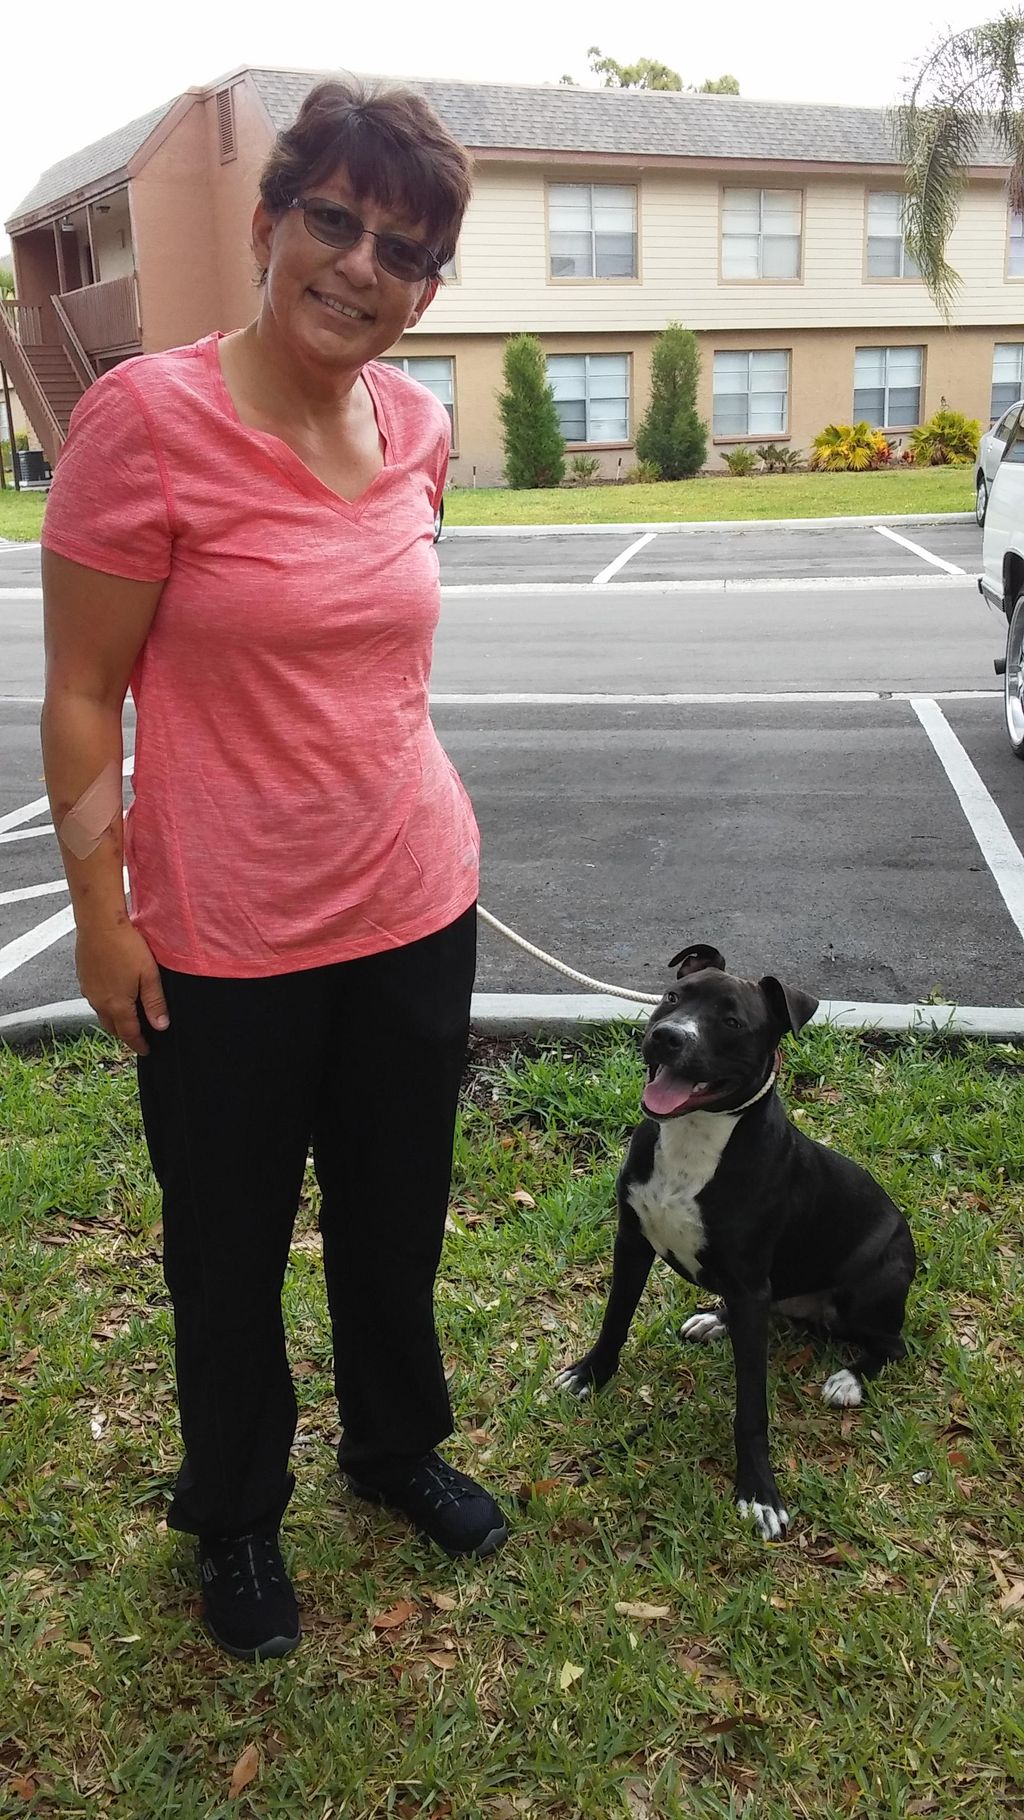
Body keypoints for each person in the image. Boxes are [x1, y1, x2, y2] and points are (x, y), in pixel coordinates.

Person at [40, 76, 508, 1663]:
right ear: (268, 223)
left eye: (404, 248)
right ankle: (235, 1512)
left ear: (429, 284)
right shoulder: (146, 422)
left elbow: (385, 668)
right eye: (334, 221)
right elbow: (81, 694)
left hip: (414, 903)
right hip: (223, 934)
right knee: (226, 1248)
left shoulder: (421, 424)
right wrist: (101, 920)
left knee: (397, 1214)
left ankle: (393, 1453)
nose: (362, 267)